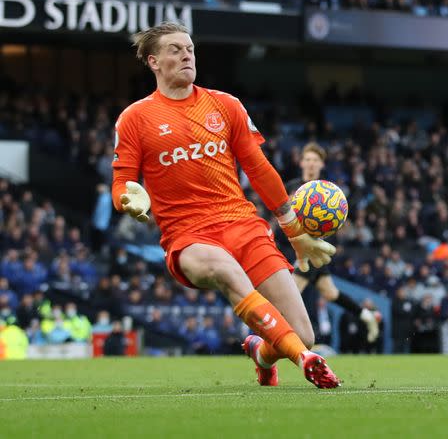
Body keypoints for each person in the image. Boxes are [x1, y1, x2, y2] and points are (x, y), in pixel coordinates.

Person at [113, 21, 340, 388]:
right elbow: (122, 181)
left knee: (303, 331)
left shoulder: (225, 105)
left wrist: (295, 231)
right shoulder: (136, 118)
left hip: (243, 226)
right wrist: (126, 197)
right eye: (175, 49)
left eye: (190, 48)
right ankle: (306, 360)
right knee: (228, 272)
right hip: (188, 237)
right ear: (153, 61)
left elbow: (259, 168)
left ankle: (263, 352)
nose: (186, 54)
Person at [285, 143, 381, 344]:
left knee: (291, 293)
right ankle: (366, 315)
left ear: (321, 164)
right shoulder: (292, 188)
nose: (311, 164)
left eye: (315, 160)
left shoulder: (328, 192)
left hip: (315, 250)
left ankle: (279, 339)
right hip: (295, 248)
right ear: (301, 162)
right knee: (330, 293)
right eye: (308, 159)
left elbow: (337, 222)